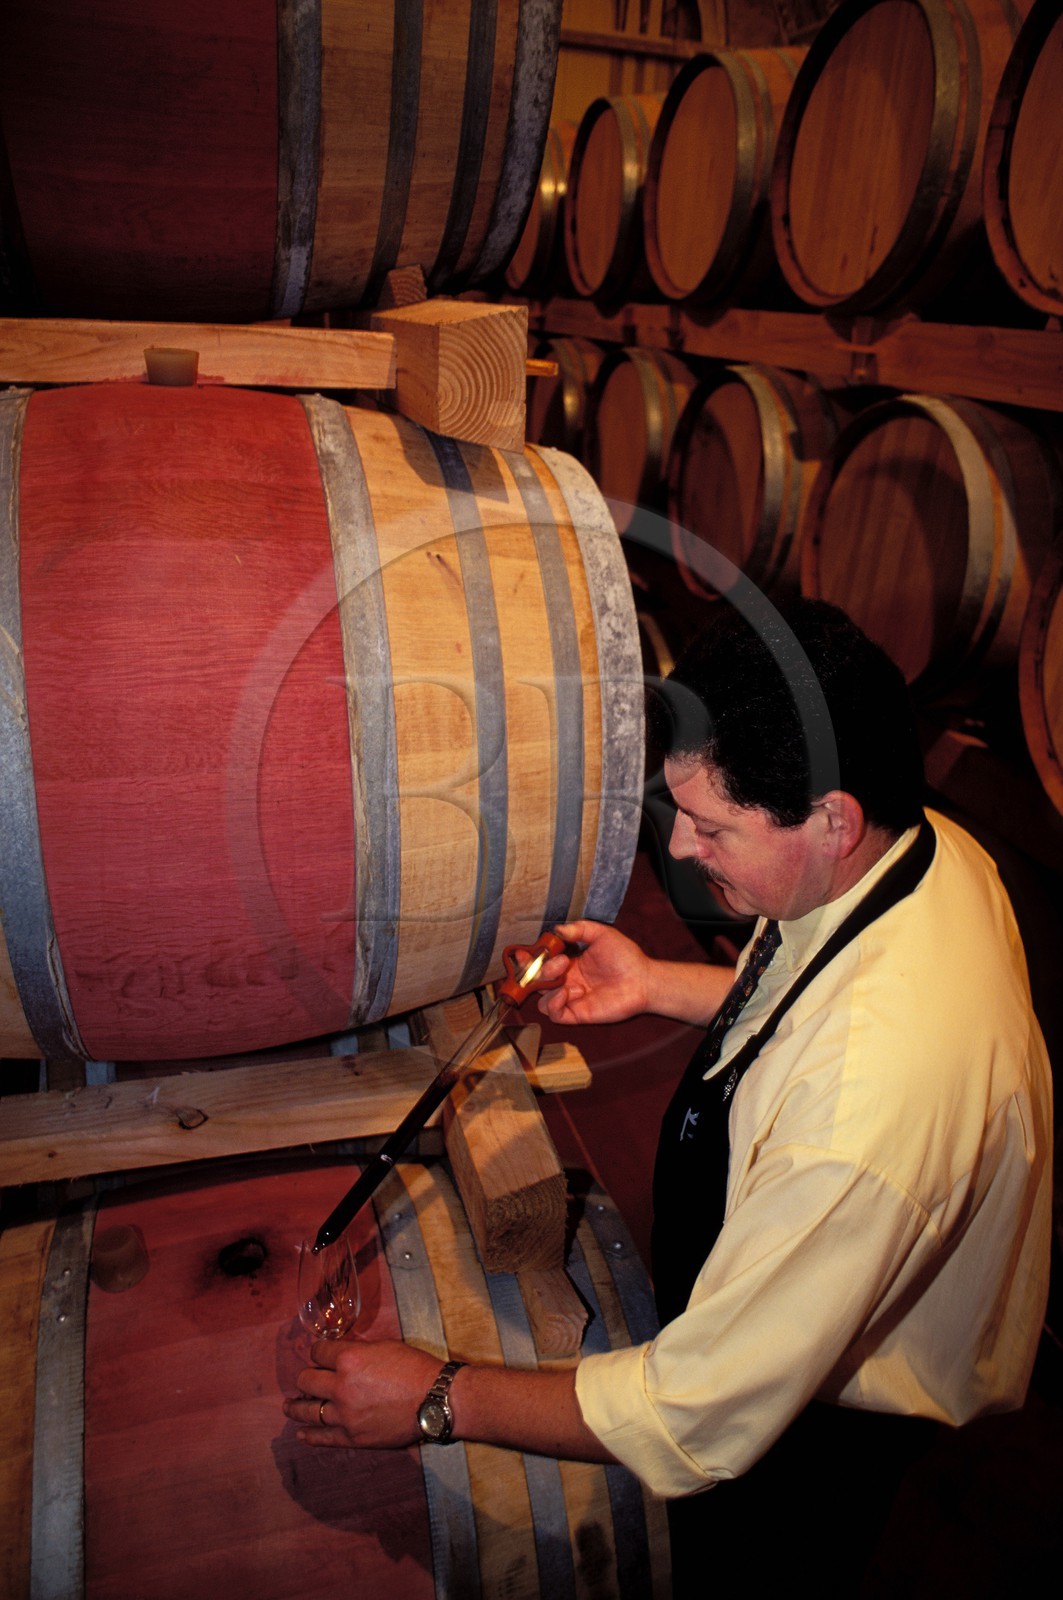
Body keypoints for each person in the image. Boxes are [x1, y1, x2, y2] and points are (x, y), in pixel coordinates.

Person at [284, 598, 1052, 1593]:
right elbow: (814, 990)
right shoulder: (922, 847)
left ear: (832, 820)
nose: (680, 848)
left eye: (711, 825)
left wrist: (438, 1395)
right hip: (821, 1264)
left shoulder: (865, 1115)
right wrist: (656, 982)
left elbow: (700, 1411)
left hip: (823, 1419)